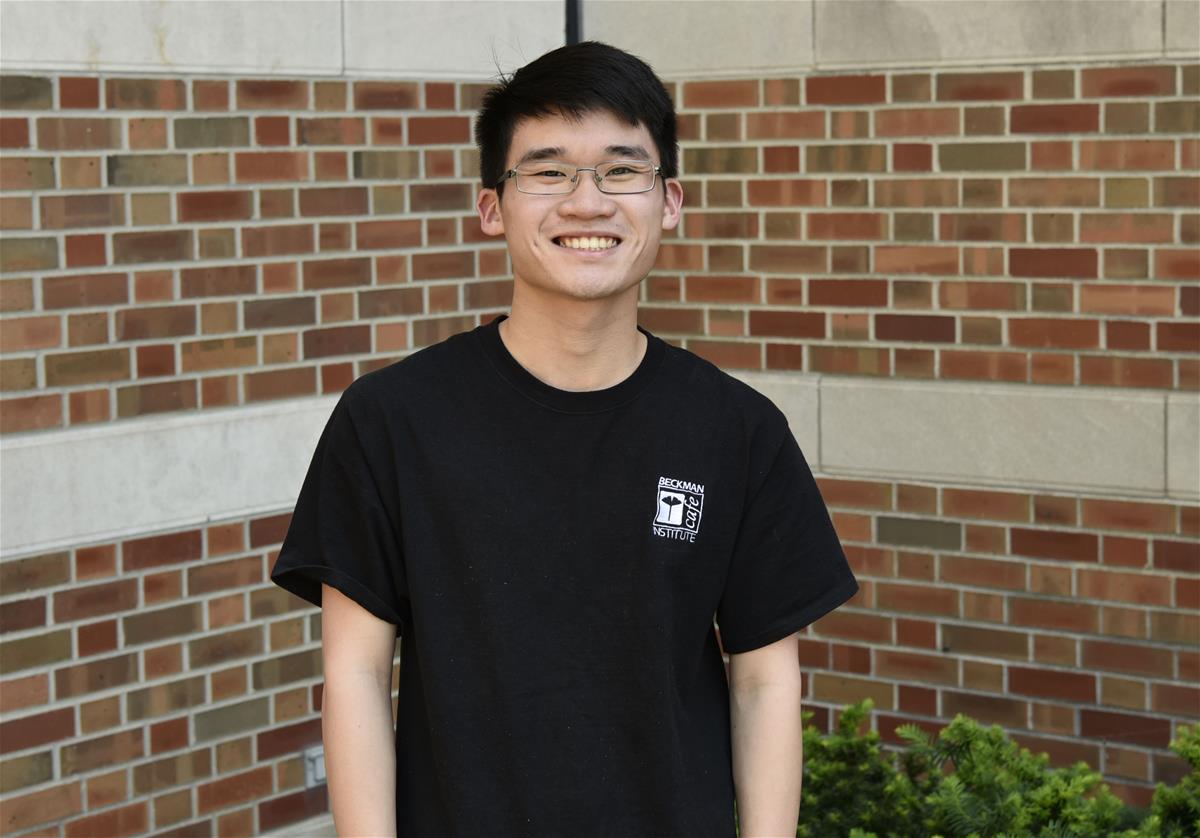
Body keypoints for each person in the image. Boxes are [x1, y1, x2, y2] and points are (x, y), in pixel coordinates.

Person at [270, 40, 858, 838]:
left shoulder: (736, 431)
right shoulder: (391, 421)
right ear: (492, 207)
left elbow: (762, 682)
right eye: (548, 171)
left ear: (669, 202)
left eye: (622, 170)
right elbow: (357, 674)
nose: (588, 202)